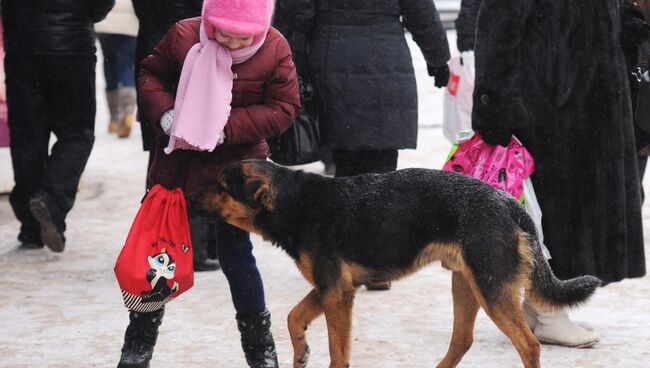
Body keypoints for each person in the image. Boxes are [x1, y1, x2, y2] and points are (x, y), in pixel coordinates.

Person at [116, 0, 300, 367]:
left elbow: (284, 107)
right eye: (222, 33)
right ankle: (137, 346)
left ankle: (260, 349)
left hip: (235, 175)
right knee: (158, 258)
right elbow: (150, 74)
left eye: (241, 36)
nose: (231, 43)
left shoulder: (274, 46)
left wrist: (225, 129)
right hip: (178, 168)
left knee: (237, 258)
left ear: (259, 28)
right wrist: (165, 114)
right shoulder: (184, 36)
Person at [472, 0, 646, 347]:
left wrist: (625, 28)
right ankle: (549, 306)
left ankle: (541, 307)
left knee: (574, 206)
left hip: (587, 100)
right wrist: (495, 100)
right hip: (549, 102)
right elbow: (498, 25)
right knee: (553, 208)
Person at [282, 0, 451, 290]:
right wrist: (438, 57)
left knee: (346, 168)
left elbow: (299, 15)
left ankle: (346, 259)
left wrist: (293, 61)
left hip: (333, 56)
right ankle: (378, 263)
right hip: (385, 58)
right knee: (384, 171)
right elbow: (420, 11)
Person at [1, 0, 115, 252]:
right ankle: (50, 200)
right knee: (77, 132)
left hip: (22, 45)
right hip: (72, 45)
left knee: (28, 135)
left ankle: (31, 228)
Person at [96, 0, 138, 138]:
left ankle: (114, 117)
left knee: (109, 64)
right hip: (129, 25)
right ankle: (127, 112)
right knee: (125, 64)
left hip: (106, 22)